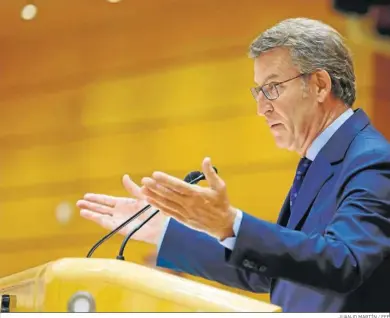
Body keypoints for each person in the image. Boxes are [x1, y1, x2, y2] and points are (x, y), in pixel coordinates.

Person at [76, 18, 390, 312]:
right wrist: (163, 230)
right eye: (258, 91)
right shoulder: (321, 161)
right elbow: (271, 274)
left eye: (272, 87)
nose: (261, 108)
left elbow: (345, 261)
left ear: (320, 84)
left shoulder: (371, 159)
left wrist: (231, 224)